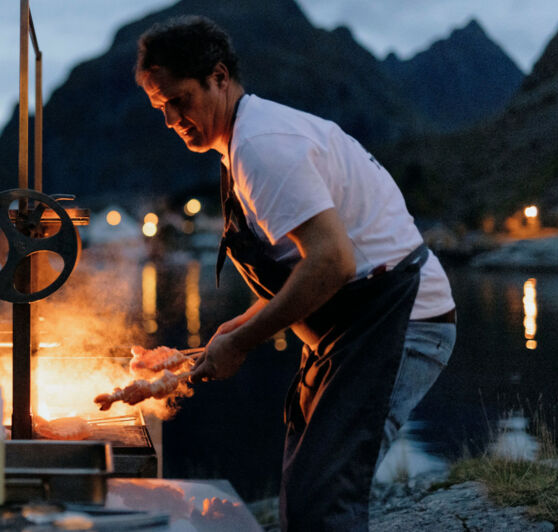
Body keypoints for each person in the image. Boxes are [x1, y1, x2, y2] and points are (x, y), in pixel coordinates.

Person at [135, 17, 456, 531]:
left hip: (403, 324)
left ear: (219, 77)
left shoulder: (264, 146)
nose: (172, 118)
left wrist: (242, 345)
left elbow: (333, 262)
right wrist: (239, 326)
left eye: (181, 99)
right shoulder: (239, 146)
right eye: (160, 106)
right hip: (354, 327)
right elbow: (311, 271)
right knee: (308, 492)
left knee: (324, 498)